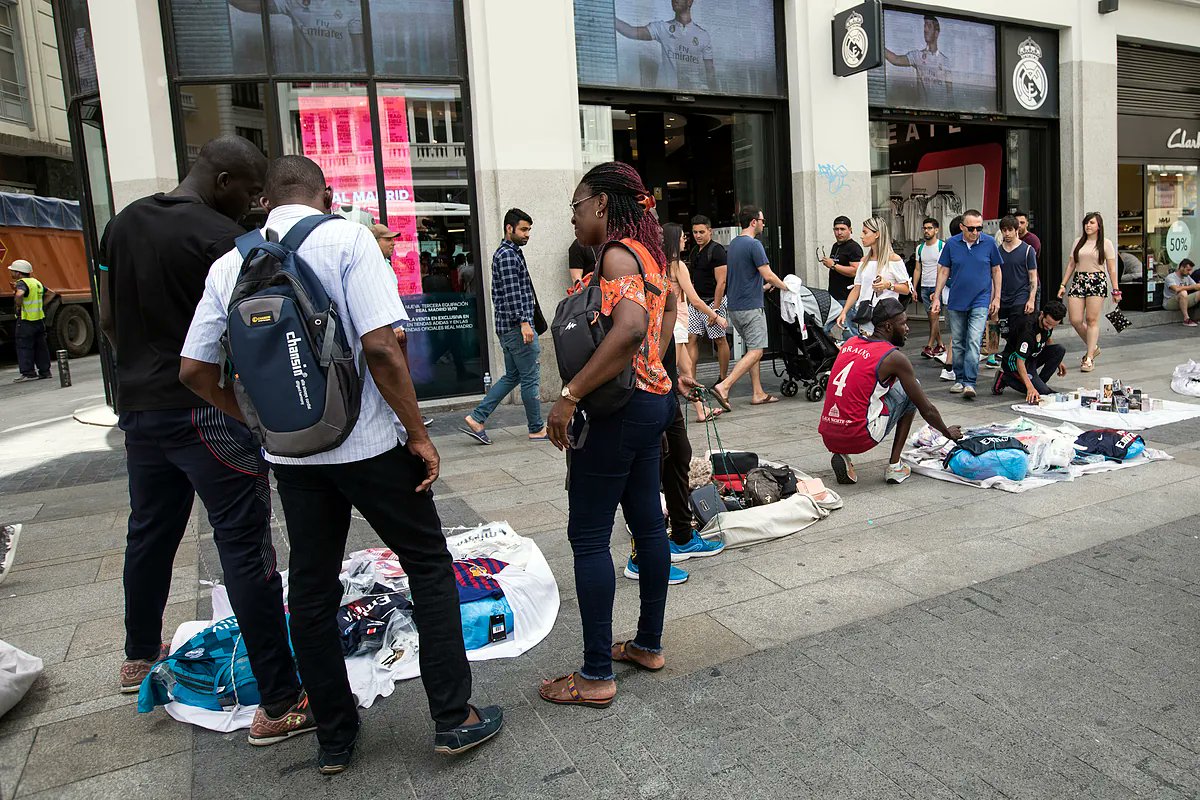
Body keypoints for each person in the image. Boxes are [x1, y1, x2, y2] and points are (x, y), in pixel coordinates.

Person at [180, 155, 502, 775]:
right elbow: (381, 346)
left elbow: (194, 369)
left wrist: (256, 421)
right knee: (427, 564)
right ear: (324, 196)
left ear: (265, 200)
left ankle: (334, 736)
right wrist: (419, 434)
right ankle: (453, 716)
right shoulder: (349, 240)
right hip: (370, 443)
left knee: (311, 587)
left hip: (292, 456)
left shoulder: (229, 265)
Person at [97, 136, 308, 744]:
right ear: (222, 182)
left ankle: (139, 652)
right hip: (206, 409)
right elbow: (255, 330)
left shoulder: (122, 224)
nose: (252, 205)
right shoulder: (222, 240)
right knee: (244, 546)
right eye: (249, 192)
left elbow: (107, 320)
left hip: (141, 411)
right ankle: (281, 699)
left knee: (149, 532)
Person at [541, 161, 679, 707]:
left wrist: (570, 394)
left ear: (601, 203)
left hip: (619, 410)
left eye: (576, 206)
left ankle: (596, 674)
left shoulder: (617, 255)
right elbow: (666, 316)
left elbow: (631, 327)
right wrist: (652, 369)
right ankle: (648, 645)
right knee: (647, 522)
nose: (573, 218)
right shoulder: (650, 255)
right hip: (651, 403)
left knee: (590, 536)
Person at [819, 299, 963, 486]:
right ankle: (895, 466)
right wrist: (946, 432)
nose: (907, 329)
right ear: (888, 326)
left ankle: (841, 453)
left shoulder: (850, 343)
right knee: (911, 389)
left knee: (869, 391)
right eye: (903, 324)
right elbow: (926, 409)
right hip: (859, 436)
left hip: (829, 435)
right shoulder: (893, 357)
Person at [460, 209, 547, 444]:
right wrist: (524, 322)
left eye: (529, 230)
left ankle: (477, 417)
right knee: (530, 378)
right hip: (517, 328)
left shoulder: (508, 252)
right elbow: (512, 294)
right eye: (523, 229)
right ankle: (537, 428)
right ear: (509, 228)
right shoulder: (508, 255)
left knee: (513, 376)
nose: (527, 234)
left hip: (509, 328)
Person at [709, 205, 788, 410]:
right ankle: (724, 386)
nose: (763, 224)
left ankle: (758, 392)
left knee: (752, 348)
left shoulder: (734, 244)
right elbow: (768, 274)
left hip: (735, 307)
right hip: (750, 308)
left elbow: (744, 277)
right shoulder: (754, 245)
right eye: (762, 221)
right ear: (754, 222)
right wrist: (787, 287)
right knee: (757, 351)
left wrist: (763, 288)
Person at [931, 209, 1002, 401]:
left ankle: (970, 382)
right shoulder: (952, 244)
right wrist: (936, 297)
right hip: (956, 300)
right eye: (971, 229)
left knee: (973, 340)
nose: (975, 232)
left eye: (979, 228)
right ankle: (960, 378)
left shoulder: (989, 243)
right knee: (958, 341)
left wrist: (996, 298)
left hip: (981, 299)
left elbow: (996, 270)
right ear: (962, 227)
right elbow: (944, 271)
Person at [373, 224, 434, 427]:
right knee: (398, 377)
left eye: (393, 239)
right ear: (375, 242)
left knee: (402, 376)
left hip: (396, 329)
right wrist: (393, 325)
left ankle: (408, 417)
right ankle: (406, 419)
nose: (393, 243)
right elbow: (379, 299)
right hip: (391, 330)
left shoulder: (384, 263)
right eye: (387, 239)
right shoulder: (374, 266)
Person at [662, 222, 719, 422]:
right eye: (682, 237)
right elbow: (694, 299)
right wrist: (715, 316)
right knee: (668, 374)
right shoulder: (678, 266)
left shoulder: (661, 265)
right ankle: (664, 415)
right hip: (676, 324)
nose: (685, 240)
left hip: (672, 324)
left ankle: (702, 411)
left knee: (686, 369)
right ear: (674, 240)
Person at [1057, 212, 1119, 373]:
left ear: (1099, 226)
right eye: (1086, 223)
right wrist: (1063, 284)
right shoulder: (1078, 242)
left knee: (1091, 319)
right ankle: (1094, 347)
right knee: (1075, 319)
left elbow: (1112, 269)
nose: (1088, 225)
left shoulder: (1106, 243)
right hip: (1079, 280)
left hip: (1097, 281)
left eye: (1091, 223)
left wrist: (1116, 289)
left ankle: (1089, 357)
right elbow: (1071, 264)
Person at [615, 0, 715, 92]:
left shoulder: (703, 35)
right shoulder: (662, 27)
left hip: (695, 96)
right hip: (666, 96)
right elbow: (631, 32)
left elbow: (710, 71)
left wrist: (711, 95)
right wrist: (610, 17)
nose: (675, 0)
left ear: (689, 2)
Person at [835, 217, 910, 338]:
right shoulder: (864, 261)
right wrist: (844, 311)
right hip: (866, 316)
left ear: (877, 234)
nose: (861, 236)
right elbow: (857, 289)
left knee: (881, 348)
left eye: (865, 232)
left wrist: (889, 285)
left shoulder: (893, 259)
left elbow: (906, 289)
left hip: (886, 318)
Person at [991, 301, 1068, 403]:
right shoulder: (1028, 331)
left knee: (1059, 349)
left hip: (1033, 356)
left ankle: (1038, 383)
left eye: (1053, 325)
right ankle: (1005, 378)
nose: (1049, 327)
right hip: (1015, 361)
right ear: (1042, 315)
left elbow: (1047, 337)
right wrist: (1030, 387)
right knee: (1042, 392)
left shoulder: (1048, 324)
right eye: (1047, 323)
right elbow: (1020, 362)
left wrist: (1058, 360)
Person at [686, 215, 731, 382]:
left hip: (713, 301)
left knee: (719, 339)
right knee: (691, 338)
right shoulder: (694, 251)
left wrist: (715, 309)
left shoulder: (717, 250)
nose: (698, 235)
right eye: (695, 232)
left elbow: (722, 282)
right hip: (697, 303)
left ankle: (723, 379)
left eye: (701, 232)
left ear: (709, 231)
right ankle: (691, 379)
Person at [991, 215, 1039, 369]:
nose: (1007, 233)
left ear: (1016, 230)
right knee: (1006, 333)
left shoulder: (1027, 250)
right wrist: (994, 300)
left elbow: (1033, 277)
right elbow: (994, 277)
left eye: (1010, 230)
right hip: (1004, 298)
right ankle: (1012, 363)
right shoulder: (998, 251)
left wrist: (1031, 299)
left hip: (1021, 296)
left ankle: (1019, 363)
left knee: (1019, 329)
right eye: (1004, 230)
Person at [885, 14, 952, 109]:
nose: (925, 30)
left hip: (940, 114)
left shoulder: (945, 61)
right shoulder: (917, 56)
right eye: (924, 26)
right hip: (923, 112)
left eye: (929, 26)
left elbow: (950, 93)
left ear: (936, 33)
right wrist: (876, 43)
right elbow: (895, 59)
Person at [8, 259, 51, 383]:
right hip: (39, 320)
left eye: (13, 271)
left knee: (24, 346)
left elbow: (20, 294)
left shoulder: (21, 283)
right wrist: (40, 305)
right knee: (41, 347)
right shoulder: (36, 282)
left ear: (19, 273)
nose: (11, 273)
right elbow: (51, 294)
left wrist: (18, 304)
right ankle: (45, 371)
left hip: (26, 320)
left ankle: (28, 372)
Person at [912, 218, 948, 361]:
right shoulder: (919, 248)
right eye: (925, 228)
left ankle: (929, 346)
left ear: (936, 230)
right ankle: (940, 345)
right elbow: (917, 269)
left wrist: (938, 290)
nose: (926, 231)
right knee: (932, 319)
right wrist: (914, 288)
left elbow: (944, 269)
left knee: (934, 317)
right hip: (924, 286)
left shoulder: (942, 246)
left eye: (930, 228)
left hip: (936, 286)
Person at [821, 215, 864, 311]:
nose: (839, 232)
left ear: (850, 230)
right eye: (836, 229)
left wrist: (833, 265)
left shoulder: (854, 247)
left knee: (848, 321)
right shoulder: (835, 246)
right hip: (834, 296)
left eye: (842, 229)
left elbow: (855, 271)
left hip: (847, 298)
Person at [1163, 258, 1200, 327]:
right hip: (1169, 303)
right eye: (1188, 270)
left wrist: (1197, 286)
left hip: (1183, 300)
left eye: (1191, 270)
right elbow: (1176, 289)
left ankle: (1198, 317)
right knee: (1183, 292)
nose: (1190, 273)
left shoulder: (1187, 277)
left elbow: (1196, 286)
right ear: (1182, 267)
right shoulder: (1170, 277)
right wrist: (1193, 287)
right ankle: (1186, 319)